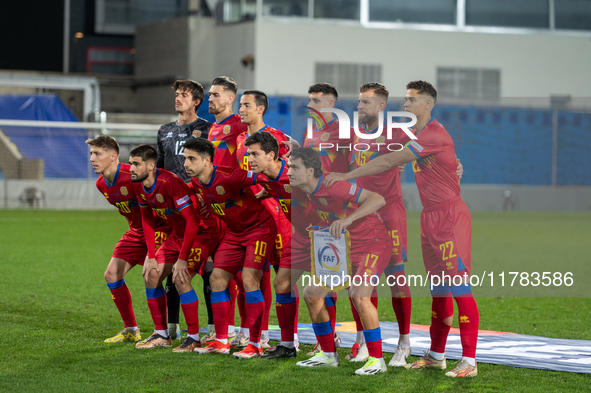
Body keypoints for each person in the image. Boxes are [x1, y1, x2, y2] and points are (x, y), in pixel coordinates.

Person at [324, 80, 479, 378]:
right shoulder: (415, 134)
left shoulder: (433, 133)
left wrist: (347, 174)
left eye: (411, 100)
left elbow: (389, 160)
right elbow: (445, 162)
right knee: (439, 291)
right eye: (405, 99)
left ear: (428, 104)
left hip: (450, 218)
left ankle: (470, 361)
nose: (405, 104)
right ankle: (436, 355)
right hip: (429, 218)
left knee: (460, 290)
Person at [290, 147, 393, 375]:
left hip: (373, 244)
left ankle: (377, 359)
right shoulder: (304, 189)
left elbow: (377, 199)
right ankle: (328, 354)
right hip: (346, 249)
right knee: (312, 292)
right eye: (289, 166)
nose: (289, 172)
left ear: (309, 171)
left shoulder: (333, 186)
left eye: (294, 167)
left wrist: (349, 219)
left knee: (359, 295)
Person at [184, 138, 277, 359]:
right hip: (234, 234)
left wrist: (271, 191)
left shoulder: (232, 175)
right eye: (185, 158)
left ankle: (255, 344)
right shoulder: (197, 183)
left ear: (207, 161)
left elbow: (270, 178)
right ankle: (221, 341)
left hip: (259, 229)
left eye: (191, 159)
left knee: (249, 280)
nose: (186, 163)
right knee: (216, 279)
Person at [128, 144, 220, 352]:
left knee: (181, 278)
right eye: (130, 163)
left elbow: (193, 222)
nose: (131, 168)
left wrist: (182, 259)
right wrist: (150, 255)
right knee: (151, 274)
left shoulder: (170, 183)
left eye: (136, 164)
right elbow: (147, 220)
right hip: (177, 235)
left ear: (151, 166)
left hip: (201, 234)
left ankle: (194, 338)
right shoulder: (138, 184)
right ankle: (162, 335)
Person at [87, 136, 169, 344]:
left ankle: (163, 332)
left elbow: (154, 203)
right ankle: (131, 329)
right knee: (112, 275)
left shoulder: (133, 175)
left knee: (153, 275)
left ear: (113, 156)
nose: (92, 158)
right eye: (91, 154)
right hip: (136, 231)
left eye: (97, 153)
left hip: (159, 228)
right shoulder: (101, 184)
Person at [156, 79, 212, 340]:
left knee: (209, 269)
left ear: (197, 101)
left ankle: (213, 327)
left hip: (200, 206)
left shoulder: (207, 128)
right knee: (171, 270)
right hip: (172, 211)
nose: (178, 98)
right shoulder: (164, 130)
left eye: (184, 95)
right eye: (177, 94)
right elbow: (158, 168)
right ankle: (171, 326)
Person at [235, 89, 291, 348]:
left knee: (283, 276)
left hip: (276, 215)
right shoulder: (238, 140)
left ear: (260, 108)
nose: (241, 109)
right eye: (240, 104)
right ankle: (257, 333)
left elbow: (291, 174)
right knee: (255, 274)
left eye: (246, 104)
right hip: (251, 215)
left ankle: (288, 338)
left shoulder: (278, 139)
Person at [243, 131, 299, 358]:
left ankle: (348, 343)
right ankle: (287, 345)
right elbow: (271, 187)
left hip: (326, 233)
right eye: (248, 154)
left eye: (255, 154)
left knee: (329, 291)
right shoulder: (266, 176)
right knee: (282, 283)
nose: (250, 159)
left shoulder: (296, 174)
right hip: (303, 237)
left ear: (271, 155)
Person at [206, 76, 249, 347]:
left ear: (230, 98)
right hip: (216, 208)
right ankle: (228, 330)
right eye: (209, 95)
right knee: (221, 271)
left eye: (215, 95)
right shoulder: (212, 128)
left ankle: (252, 331)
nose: (210, 99)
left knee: (250, 274)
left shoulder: (239, 125)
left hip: (240, 207)